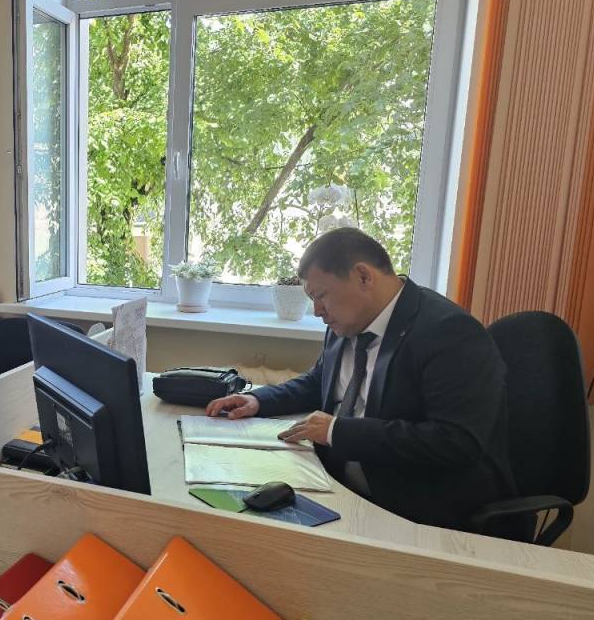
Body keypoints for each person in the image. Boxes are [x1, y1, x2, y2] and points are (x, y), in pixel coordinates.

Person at [206, 228, 517, 532]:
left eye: (321, 295)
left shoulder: (449, 332)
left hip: (413, 513)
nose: (317, 311)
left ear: (363, 276)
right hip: (335, 488)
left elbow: (455, 442)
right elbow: (318, 382)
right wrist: (258, 400)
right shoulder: (347, 322)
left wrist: (338, 431)